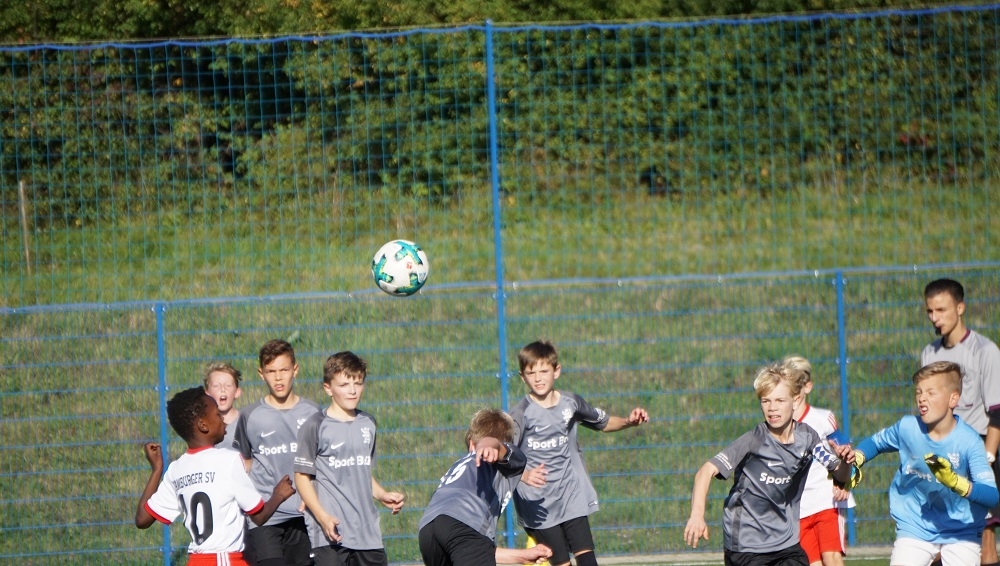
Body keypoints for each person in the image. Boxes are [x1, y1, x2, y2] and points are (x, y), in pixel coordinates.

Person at [684, 361, 854, 566]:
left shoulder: (808, 438)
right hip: (746, 544)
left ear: (795, 401)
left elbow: (840, 474)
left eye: (780, 400)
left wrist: (845, 462)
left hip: (785, 543)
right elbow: (705, 471)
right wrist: (697, 515)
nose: (772, 408)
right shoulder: (753, 440)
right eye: (766, 401)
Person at [508, 340, 649, 566]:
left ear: (557, 371)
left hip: (570, 495)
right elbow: (504, 454)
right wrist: (523, 475)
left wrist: (629, 422)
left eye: (544, 371)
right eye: (531, 373)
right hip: (538, 504)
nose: (538, 378)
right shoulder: (520, 413)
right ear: (522, 377)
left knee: (588, 561)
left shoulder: (571, 403)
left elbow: (603, 422)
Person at [852, 361, 999, 566]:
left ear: (953, 399)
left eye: (931, 392)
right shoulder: (907, 427)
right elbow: (874, 444)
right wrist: (856, 459)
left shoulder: (970, 441)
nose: (922, 398)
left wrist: (957, 483)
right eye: (919, 392)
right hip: (916, 525)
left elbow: (991, 495)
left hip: (961, 528)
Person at [135, 386, 296, 566]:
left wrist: (157, 470)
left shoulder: (176, 469)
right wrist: (278, 495)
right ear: (203, 425)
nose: (223, 420)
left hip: (195, 561)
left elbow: (142, 520)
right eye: (218, 415)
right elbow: (259, 516)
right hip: (224, 560)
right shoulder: (229, 460)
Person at [293, 351, 406, 566]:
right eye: (344, 385)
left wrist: (382, 494)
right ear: (328, 388)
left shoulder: (368, 423)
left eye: (358, 383)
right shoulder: (315, 425)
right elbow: (301, 477)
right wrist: (322, 517)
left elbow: (362, 472)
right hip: (330, 532)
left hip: (367, 534)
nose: (352, 391)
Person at [921, 278, 1000, 566]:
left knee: (984, 538)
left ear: (960, 308)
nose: (935, 318)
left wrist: (987, 458)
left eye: (941, 310)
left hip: (976, 451)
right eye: (930, 311)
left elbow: (997, 413)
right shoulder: (929, 354)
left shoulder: (985, 351)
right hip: (941, 454)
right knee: (936, 539)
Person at [417, 408, 554, 566]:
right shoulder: (505, 458)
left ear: (470, 444)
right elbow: (465, 538)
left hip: (428, 528)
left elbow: (473, 551)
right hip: (465, 520)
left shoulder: (459, 466)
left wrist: (522, 556)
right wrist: (489, 443)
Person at [233, 339, 321, 566]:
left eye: (284, 370)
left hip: (303, 513)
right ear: (261, 374)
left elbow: (320, 462)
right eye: (271, 371)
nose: (278, 378)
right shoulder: (250, 415)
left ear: (295, 370)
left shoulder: (313, 412)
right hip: (265, 516)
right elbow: (245, 462)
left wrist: (314, 497)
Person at [784, 355, 856, 566]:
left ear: (807, 386)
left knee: (831, 557)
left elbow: (847, 453)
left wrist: (845, 482)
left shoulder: (823, 419)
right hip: (799, 507)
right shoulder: (778, 425)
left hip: (826, 499)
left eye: (797, 385)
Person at [204, 361, 243, 450]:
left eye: (228, 385)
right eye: (216, 386)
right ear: (207, 394)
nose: (222, 389)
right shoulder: (203, 426)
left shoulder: (245, 421)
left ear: (237, 392)